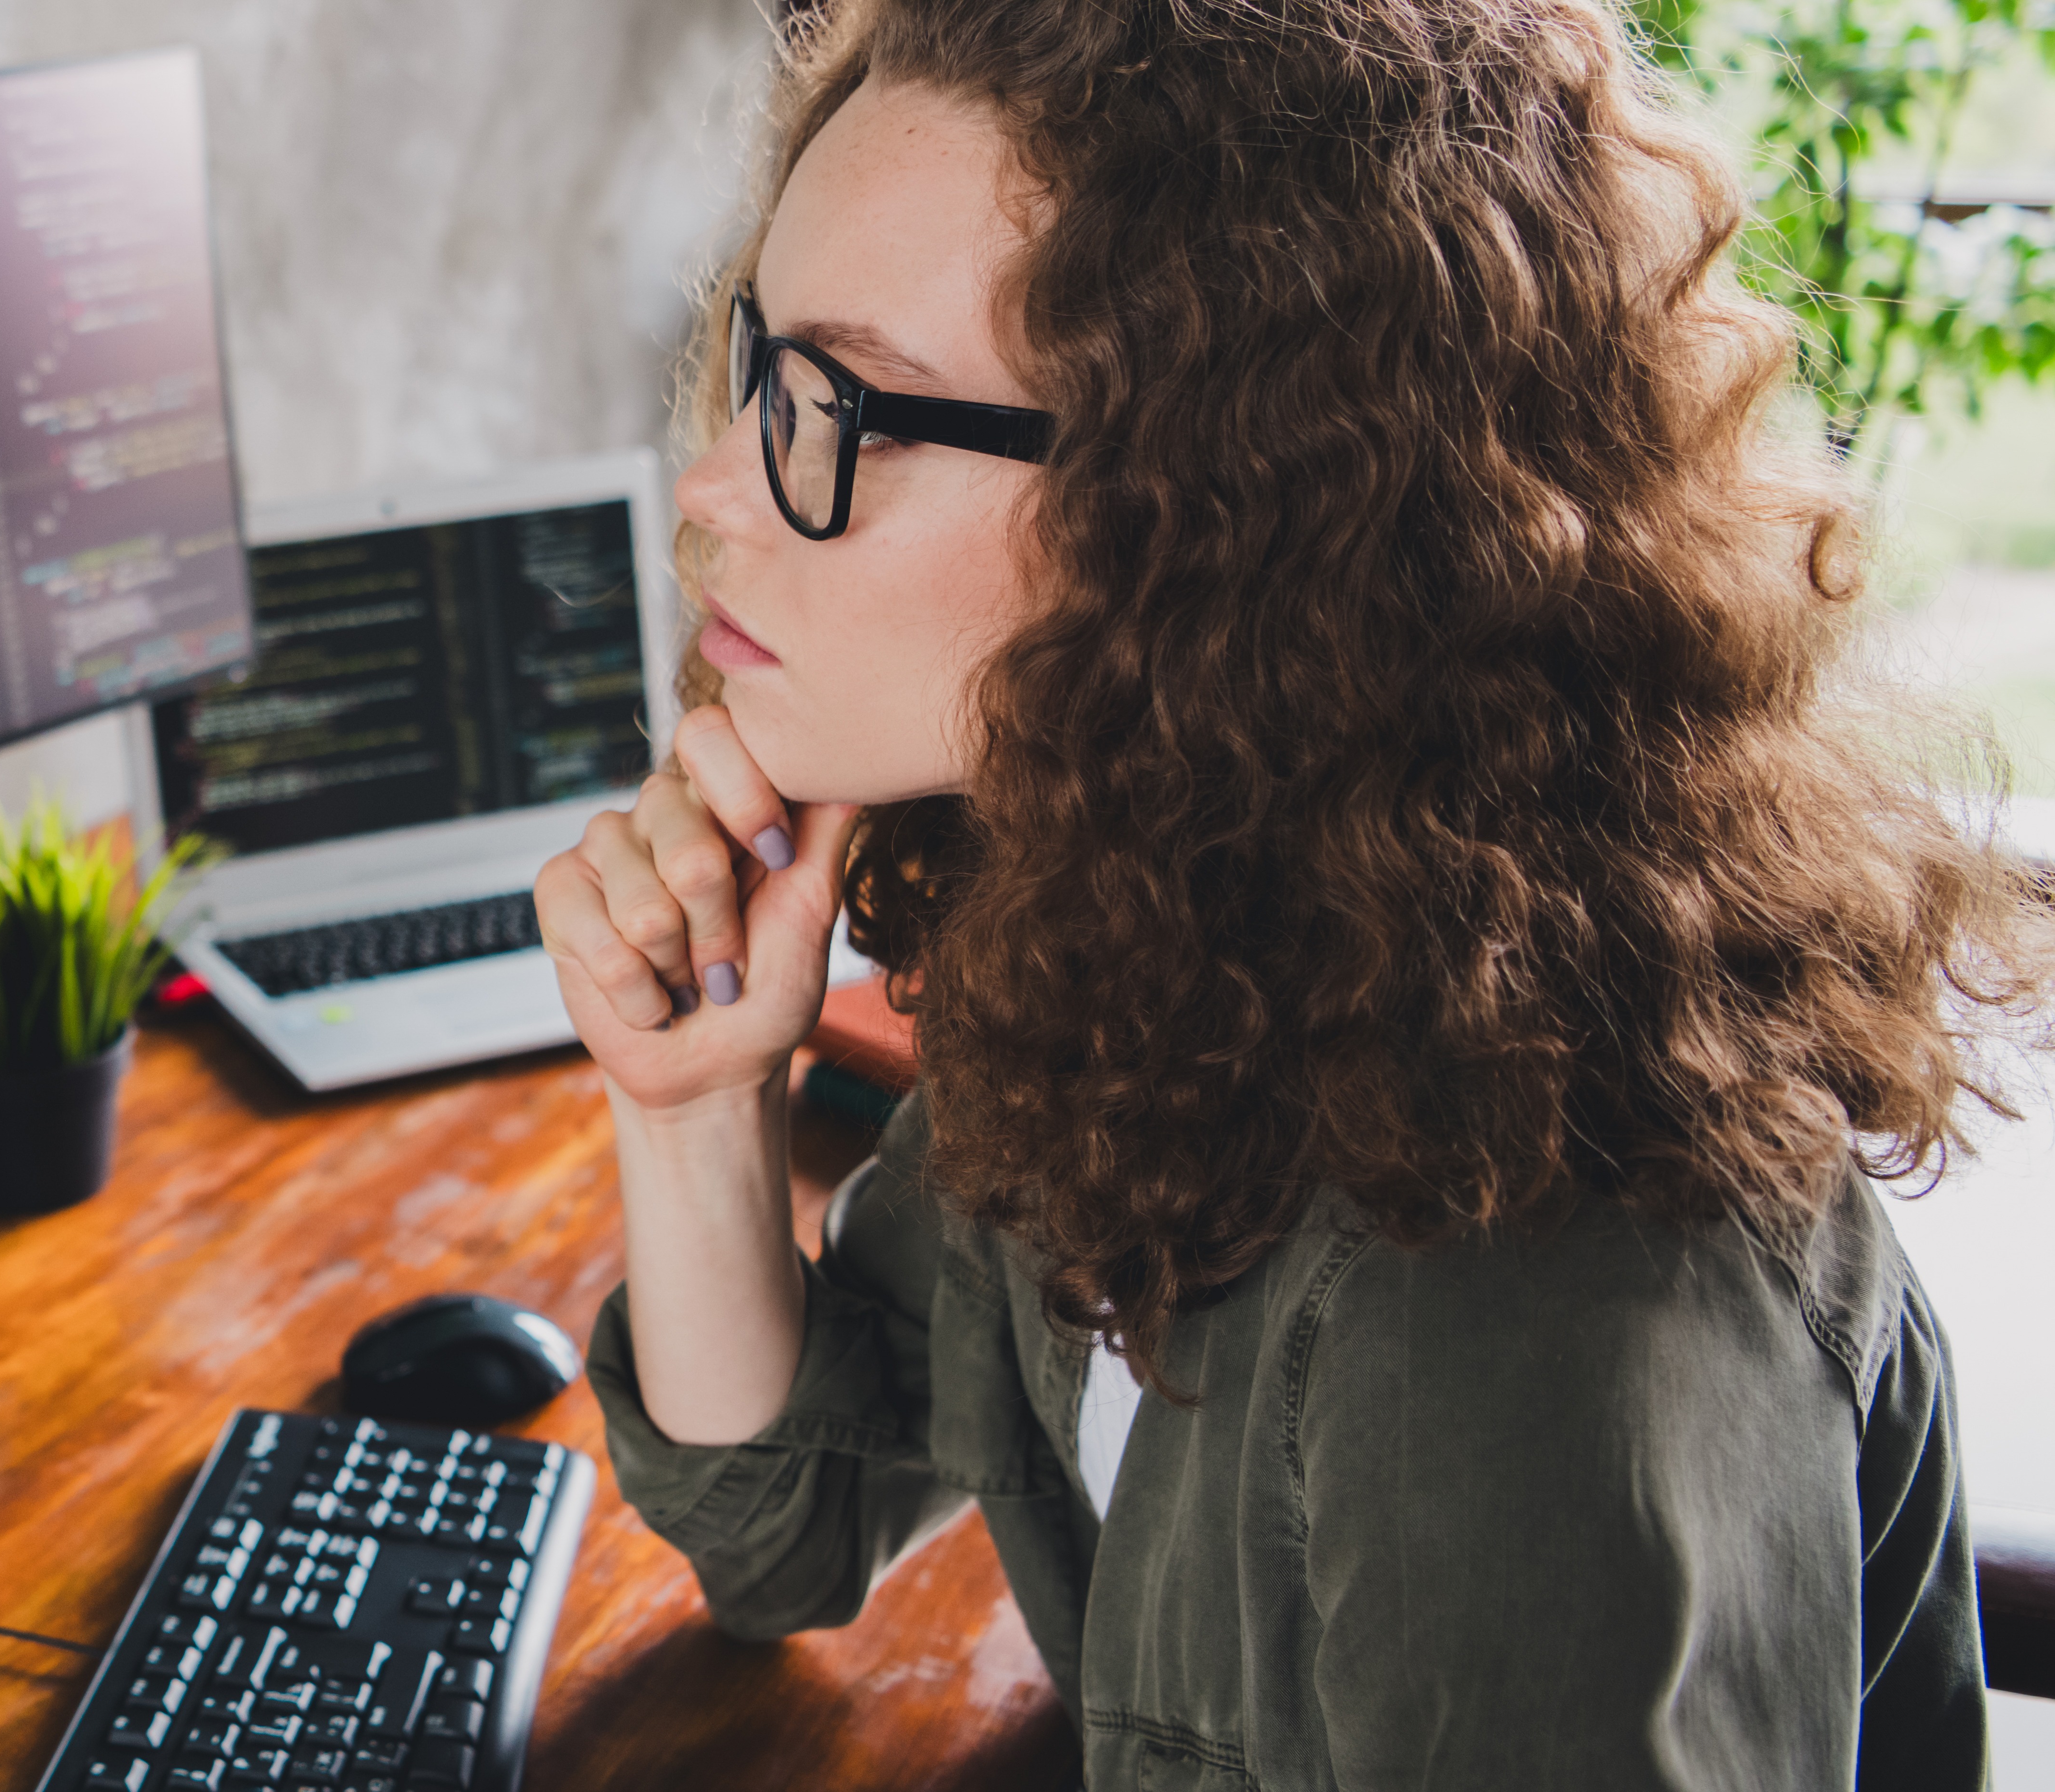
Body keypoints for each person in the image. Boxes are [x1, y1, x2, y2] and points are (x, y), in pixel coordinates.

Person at [532, 0, 2036, 1783]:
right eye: (758, 354)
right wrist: (696, 1098)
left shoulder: (1530, 1319)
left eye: (845, 404)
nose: (715, 484)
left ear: (1222, 519)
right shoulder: (1160, 937)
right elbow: (786, 1534)